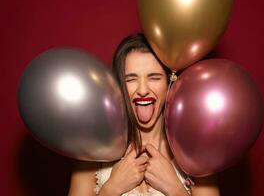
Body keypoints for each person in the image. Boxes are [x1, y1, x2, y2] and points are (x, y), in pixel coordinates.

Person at [68, 34, 220, 196]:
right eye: (131, 79)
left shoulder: (196, 152)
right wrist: (112, 189)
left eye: (154, 77)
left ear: (170, 82)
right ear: (119, 85)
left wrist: (174, 189)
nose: (142, 90)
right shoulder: (93, 150)